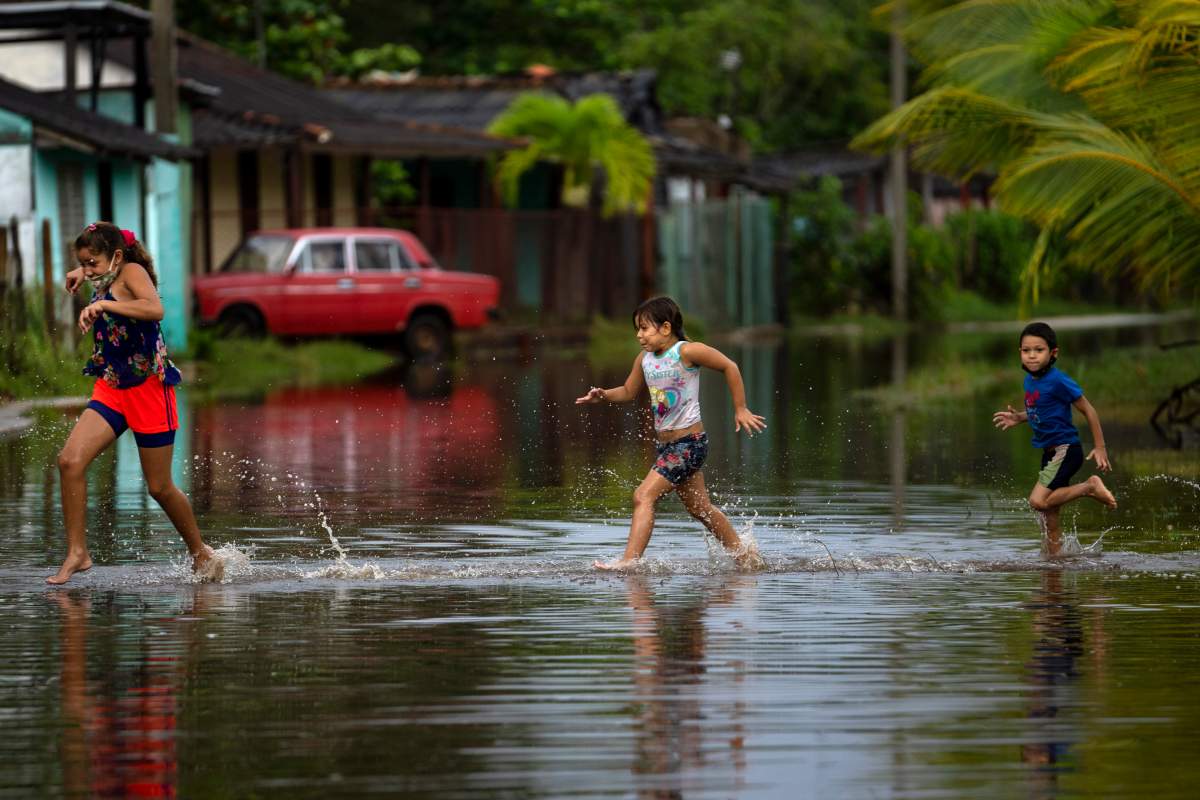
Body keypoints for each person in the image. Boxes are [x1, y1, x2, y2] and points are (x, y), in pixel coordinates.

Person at [47, 222, 214, 584]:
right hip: (112, 387)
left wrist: (105, 303)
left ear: (116, 257)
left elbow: (155, 309)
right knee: (69, 461)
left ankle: (201, 553)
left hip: (149, 390)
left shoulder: (132, 272)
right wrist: (83, 272)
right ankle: (78, 553)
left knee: (159, 487)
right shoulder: (104, 273)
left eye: (92, 263)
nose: (87, 271)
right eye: (84, 264)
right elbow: (100, 270)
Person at [576, 296, 766, 570]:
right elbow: (629, 391)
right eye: (637, 329)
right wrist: (603, 395)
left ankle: (629, 562)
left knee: (643, 496)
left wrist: (740, 408)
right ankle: (745, 556)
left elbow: (730, 366)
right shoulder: (644, 359)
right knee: (700, 509)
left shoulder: (686, 352)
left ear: (666, 328)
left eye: (644, 328)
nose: (639, 335)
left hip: (689, 444)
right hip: (668, 448)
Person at [992, 322, 1117, 555]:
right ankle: (1055, 562)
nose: (1031, 356)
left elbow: (1088, 410)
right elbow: (1042, 410)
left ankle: (1089, 487)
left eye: (1038, 350)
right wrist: (1019, 417)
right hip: (1050, 453)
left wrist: (1100, 447)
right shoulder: (1030, 380)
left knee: (1037, 501)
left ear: (1053, 353)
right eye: (1026, 350)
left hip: (1065, 450)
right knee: (1049, 515)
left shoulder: (1059, 380)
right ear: (1019, 352)